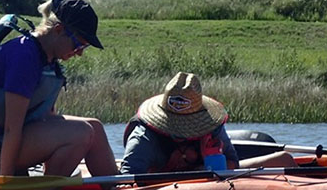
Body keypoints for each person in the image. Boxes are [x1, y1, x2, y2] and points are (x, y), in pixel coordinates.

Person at [0, 0, 118, 178]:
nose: (79, 54)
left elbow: (44, 117)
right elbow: (12, 128)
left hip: (11, 134)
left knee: (95, 127)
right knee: (82, 133)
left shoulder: (49, 58)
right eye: (78, 45)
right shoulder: (25, 57)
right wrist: (7, 181)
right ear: (59, 30)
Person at [120, 71, 296, 174]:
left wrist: (210, 161)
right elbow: (127, 181)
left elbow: (233, 163)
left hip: (211, 175)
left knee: (284, 159)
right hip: (163, 187)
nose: (184, 131)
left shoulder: (212, 128)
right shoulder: (144, 139)